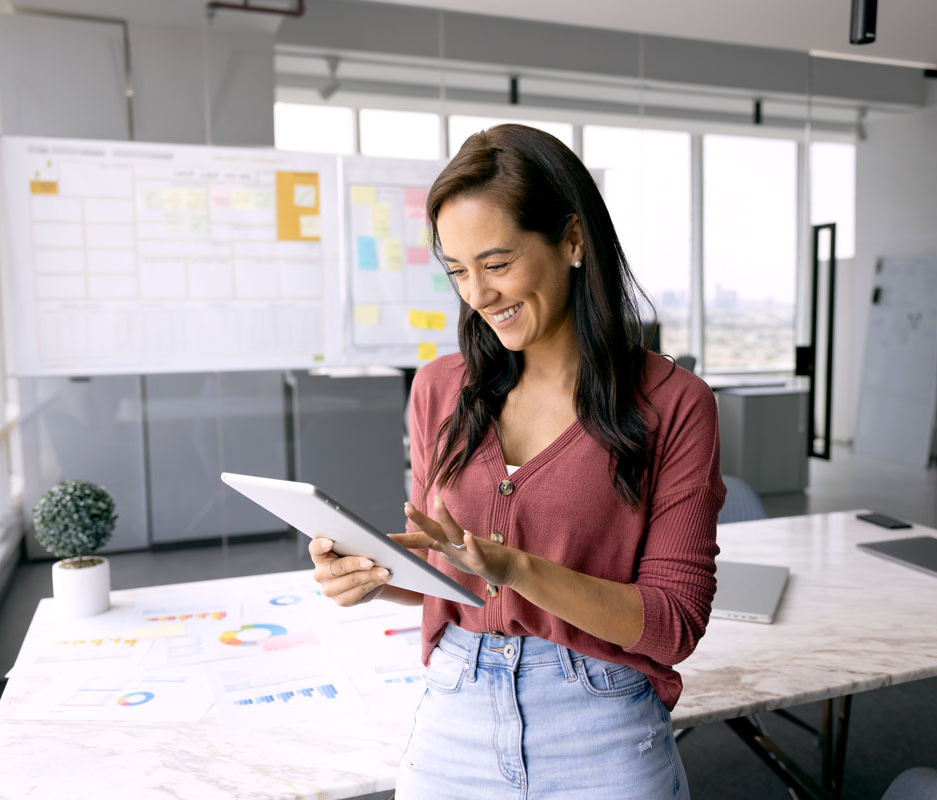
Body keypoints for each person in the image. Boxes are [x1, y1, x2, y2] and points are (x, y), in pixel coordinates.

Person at [309, 124, 725, 799]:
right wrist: (374, 576)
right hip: (456, 711)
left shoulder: (674, 404)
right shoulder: (438, 389)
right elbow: (457, 573)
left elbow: (673, 624)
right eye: (458, 271)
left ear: (571, 240)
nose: (477, 294)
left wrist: (519, 568)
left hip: (600, 721)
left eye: (497, 264)